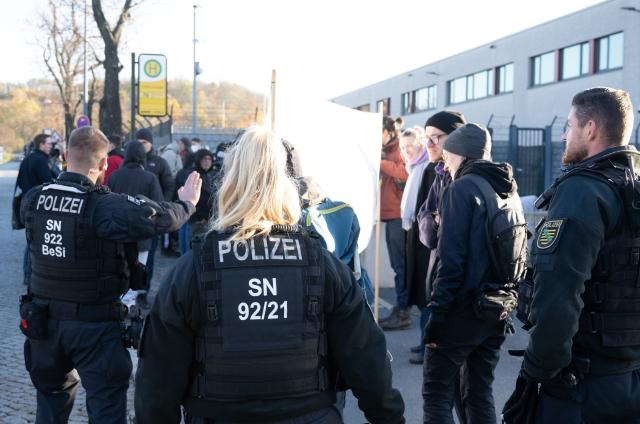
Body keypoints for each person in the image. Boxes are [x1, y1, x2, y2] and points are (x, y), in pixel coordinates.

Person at [134, 126, 405, 424]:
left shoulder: (193, 268)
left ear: (229, 184)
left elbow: (158, 380)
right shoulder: (323, 264)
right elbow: (368, 358)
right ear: (288, 185)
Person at [18, 126, 201, 424]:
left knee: (50, 404)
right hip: (94, 327)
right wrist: (187, 204)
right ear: (104, 164)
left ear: (65, 157)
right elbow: (159, 218)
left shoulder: (35, 199)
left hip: (42, 324)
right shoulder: (103, 206)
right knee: (106, 408)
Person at [517, 87, 640, 422]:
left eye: (569, 126)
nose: (564, 135)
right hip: (630, 377)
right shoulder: (632, 187)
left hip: (583, 386)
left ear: (590, 129)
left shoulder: (583, 190)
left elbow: (559, 293)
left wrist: (539, 369)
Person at [423, 123, 519, 424]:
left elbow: (451, 262)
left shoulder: (461, 189)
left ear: (461, 155)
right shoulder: (507, 191)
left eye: (448, 157)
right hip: (497, 309)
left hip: (461, 312)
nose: (445, 164)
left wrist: (437, 318)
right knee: (479, 393)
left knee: (437, 394)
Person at [107, 140, 164, 309]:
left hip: (118, 232)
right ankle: (130, 302)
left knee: (119, 268)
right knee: (138, 270)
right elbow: (158, 205)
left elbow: (107, 202)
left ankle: (121, 300)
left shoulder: (115, 175)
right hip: (142, 235)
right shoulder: (149, 178)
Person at [397, 126, 433, 364]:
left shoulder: (428, 169)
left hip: (425, 245)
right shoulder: (415, 169)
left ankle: (428, 347)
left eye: (410, 145)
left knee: (427, 297)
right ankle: (423, 343)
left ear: (421, 144)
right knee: (422, 298)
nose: (406, 151)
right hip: (417, 242)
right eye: (403, 147)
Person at [379, 116, 410, 331]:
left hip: (399, 214)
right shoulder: (388, 149)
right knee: (397, 265)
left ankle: (403, 311)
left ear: (388, 131)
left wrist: (378, 162)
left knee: (401, 266)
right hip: (390, 214)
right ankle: (401, 309)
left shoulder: (399, 148)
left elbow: (404, 171)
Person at [17, 133, 55, 286]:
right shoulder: (41, 160)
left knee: (30, 238)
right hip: (40, 205)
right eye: (49, 143)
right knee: (34, 241)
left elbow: (20, 182)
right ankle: (30, 274)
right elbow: (48, 183)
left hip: (26, 203)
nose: (51, 146)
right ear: (41, 144)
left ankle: (28, 274)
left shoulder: (27, 159)